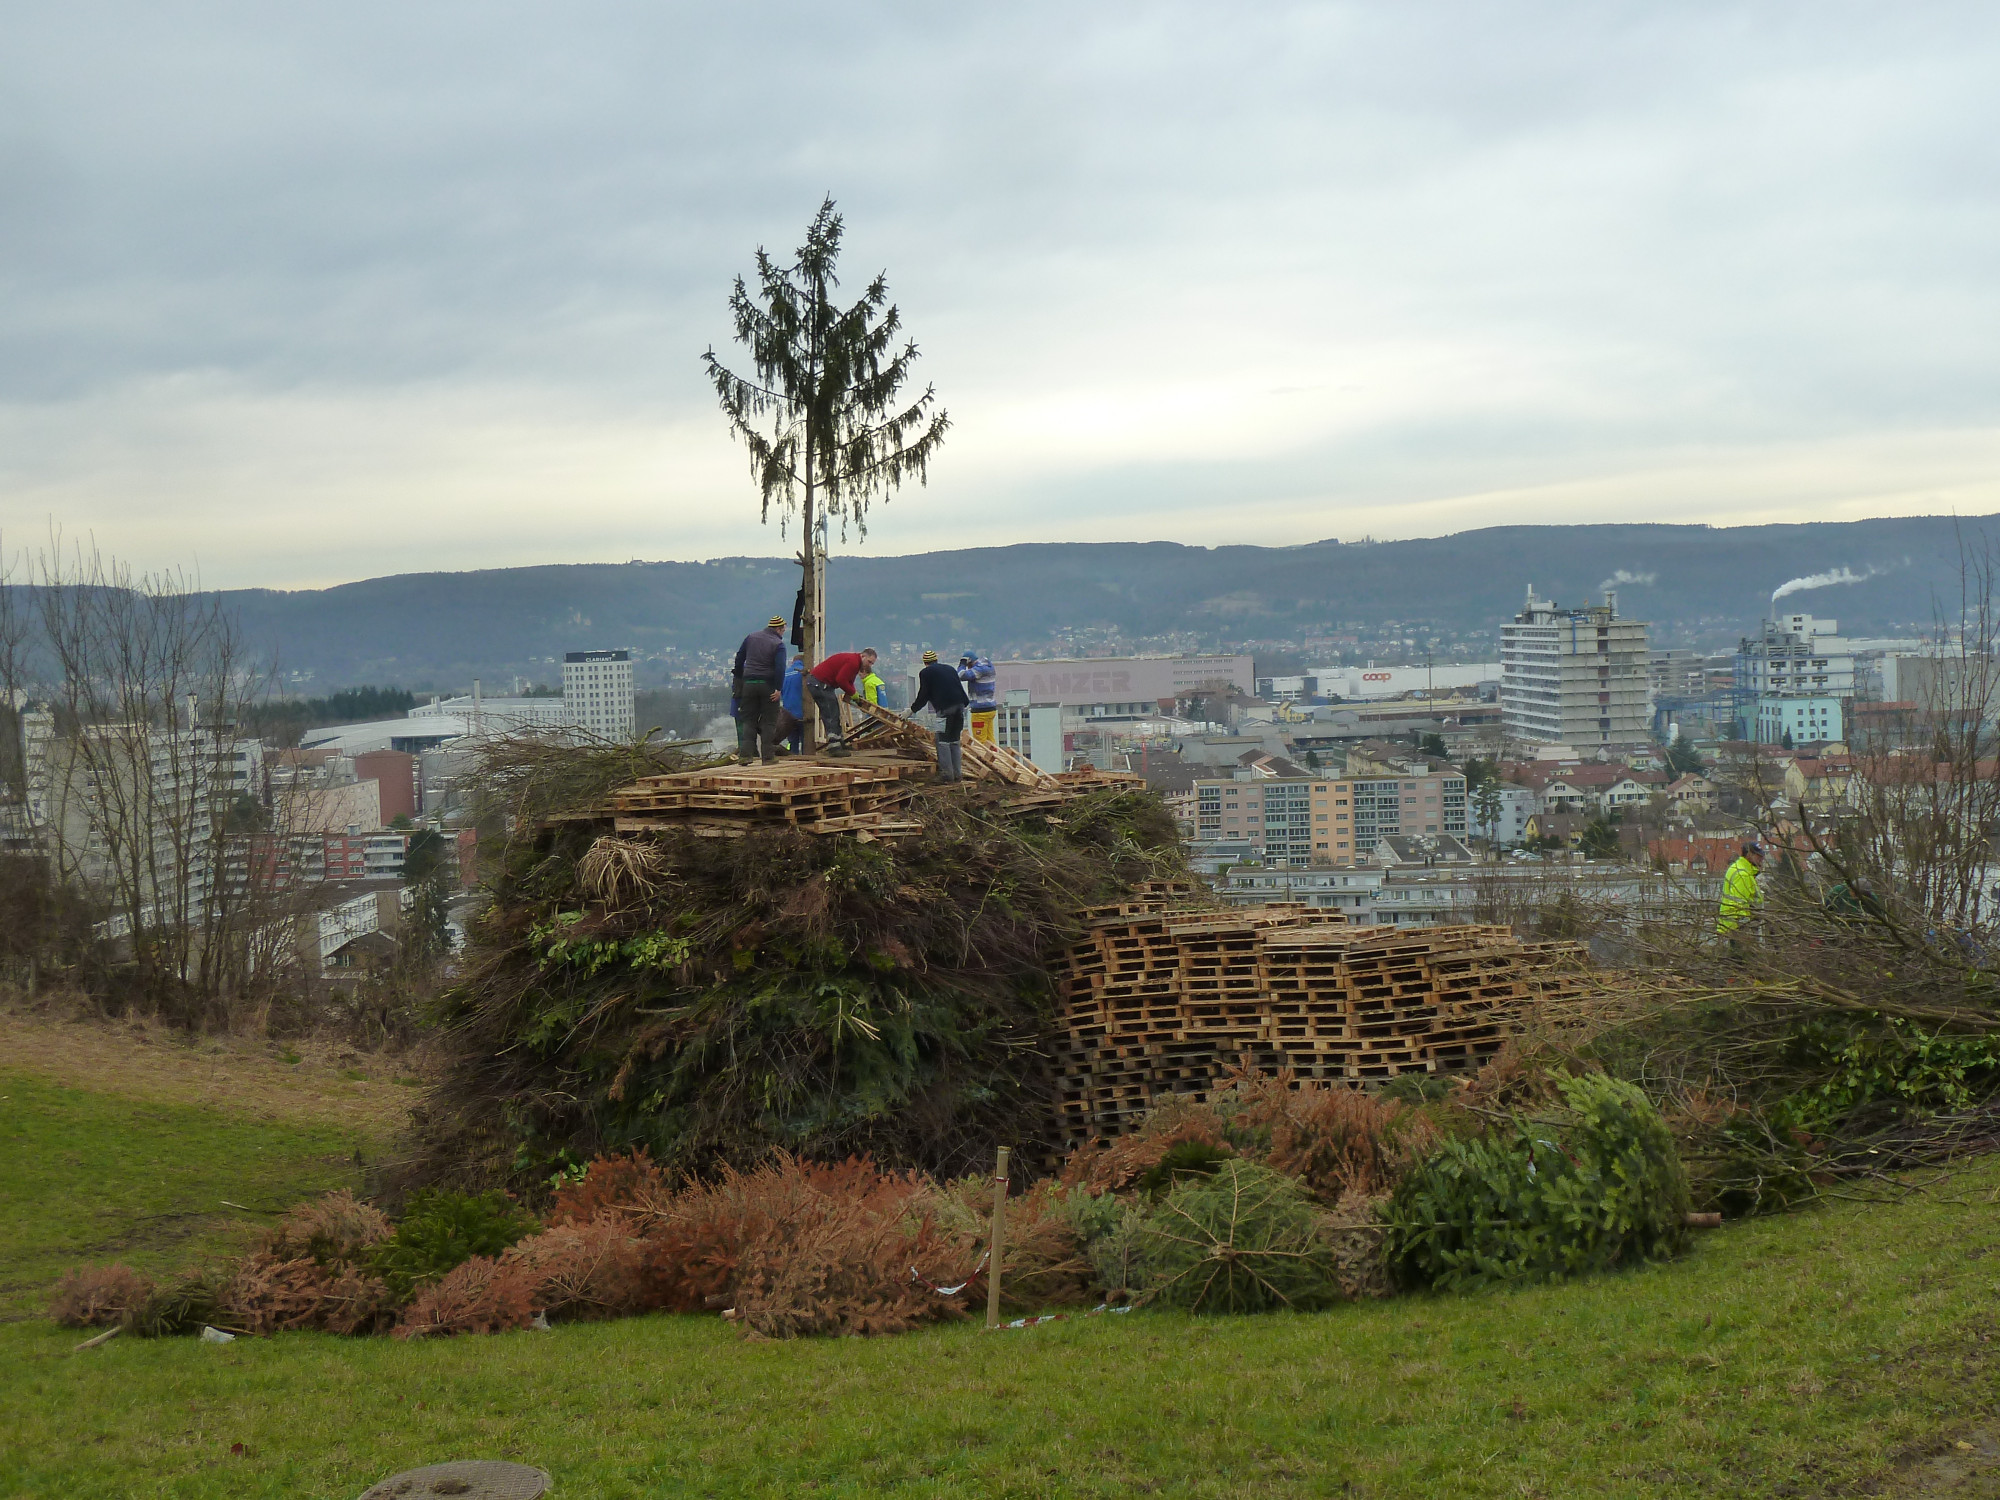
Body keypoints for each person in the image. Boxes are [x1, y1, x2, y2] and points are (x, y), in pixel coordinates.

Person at [730, 614, 787, 765]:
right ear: (778, 629)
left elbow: (739, 658)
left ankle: (745, 756)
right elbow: (780, 668)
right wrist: (778, 688)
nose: (783, 633)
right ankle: (768, 757)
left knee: (749, 720)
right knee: (768, 721)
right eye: (783, 630)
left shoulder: (751, 637)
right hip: (768, 685)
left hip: (749, 684)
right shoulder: (778, 644)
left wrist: (740, 676)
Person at [806, 647, 877, 757]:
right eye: (869, 662)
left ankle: (839, 742)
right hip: (819, 683)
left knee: (834, 711)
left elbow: (849, 682)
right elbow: (841, 680)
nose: (870, 665)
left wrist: (855, 695)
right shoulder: (853, 662)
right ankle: (834, 746)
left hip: (820, 683)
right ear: (863, 656)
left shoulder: (855, 662)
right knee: (830, 713)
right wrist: (853, 694)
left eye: (872, 663)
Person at [911, 648, 970, 782]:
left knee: (942, 741)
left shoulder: (926, 673)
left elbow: (924, 694)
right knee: (954, 741)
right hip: (960, 707)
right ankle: (957, 775)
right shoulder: (950, 669)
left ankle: (946, 775)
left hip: (945, 710)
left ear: (925, 663)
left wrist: (912, 709)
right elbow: (959, 688)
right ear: (936, 660)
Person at [1716, 839, 1766, 952]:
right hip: (1738, 929)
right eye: (1758, 855)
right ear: (1749, 855)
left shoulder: (1738, 867)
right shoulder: (1743, 874)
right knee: (1741, 959)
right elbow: (1739, 904)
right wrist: (1745, 928)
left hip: (1731, 926)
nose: (1761, 858)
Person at [959, 651, 997, 744]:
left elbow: (960, 675)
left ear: (969, 661)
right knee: (990, 740)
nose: (968, 667)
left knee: (980, 741)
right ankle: (994, 753)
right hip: (990, 709)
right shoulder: (988, 667)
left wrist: (962, 664)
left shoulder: (979, 670)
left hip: (980, 711)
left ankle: (984, 754)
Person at [776, 654, 807, 755]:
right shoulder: (804, 672)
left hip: (788, 715)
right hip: (804, 713)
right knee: (806, 741)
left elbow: (780, 693)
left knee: (793, 741)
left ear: (793, 662)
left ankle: (794, 758)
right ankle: (806, 758)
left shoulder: (785, 674)